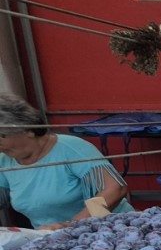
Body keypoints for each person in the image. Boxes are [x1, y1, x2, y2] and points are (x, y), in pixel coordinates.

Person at [0, 94, 133, 229]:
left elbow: (115, 189)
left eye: (2, 136)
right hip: (50, 239)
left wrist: (73, 224)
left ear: (28, 130)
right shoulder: (4, 161)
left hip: (110, 228)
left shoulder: (71, 148)